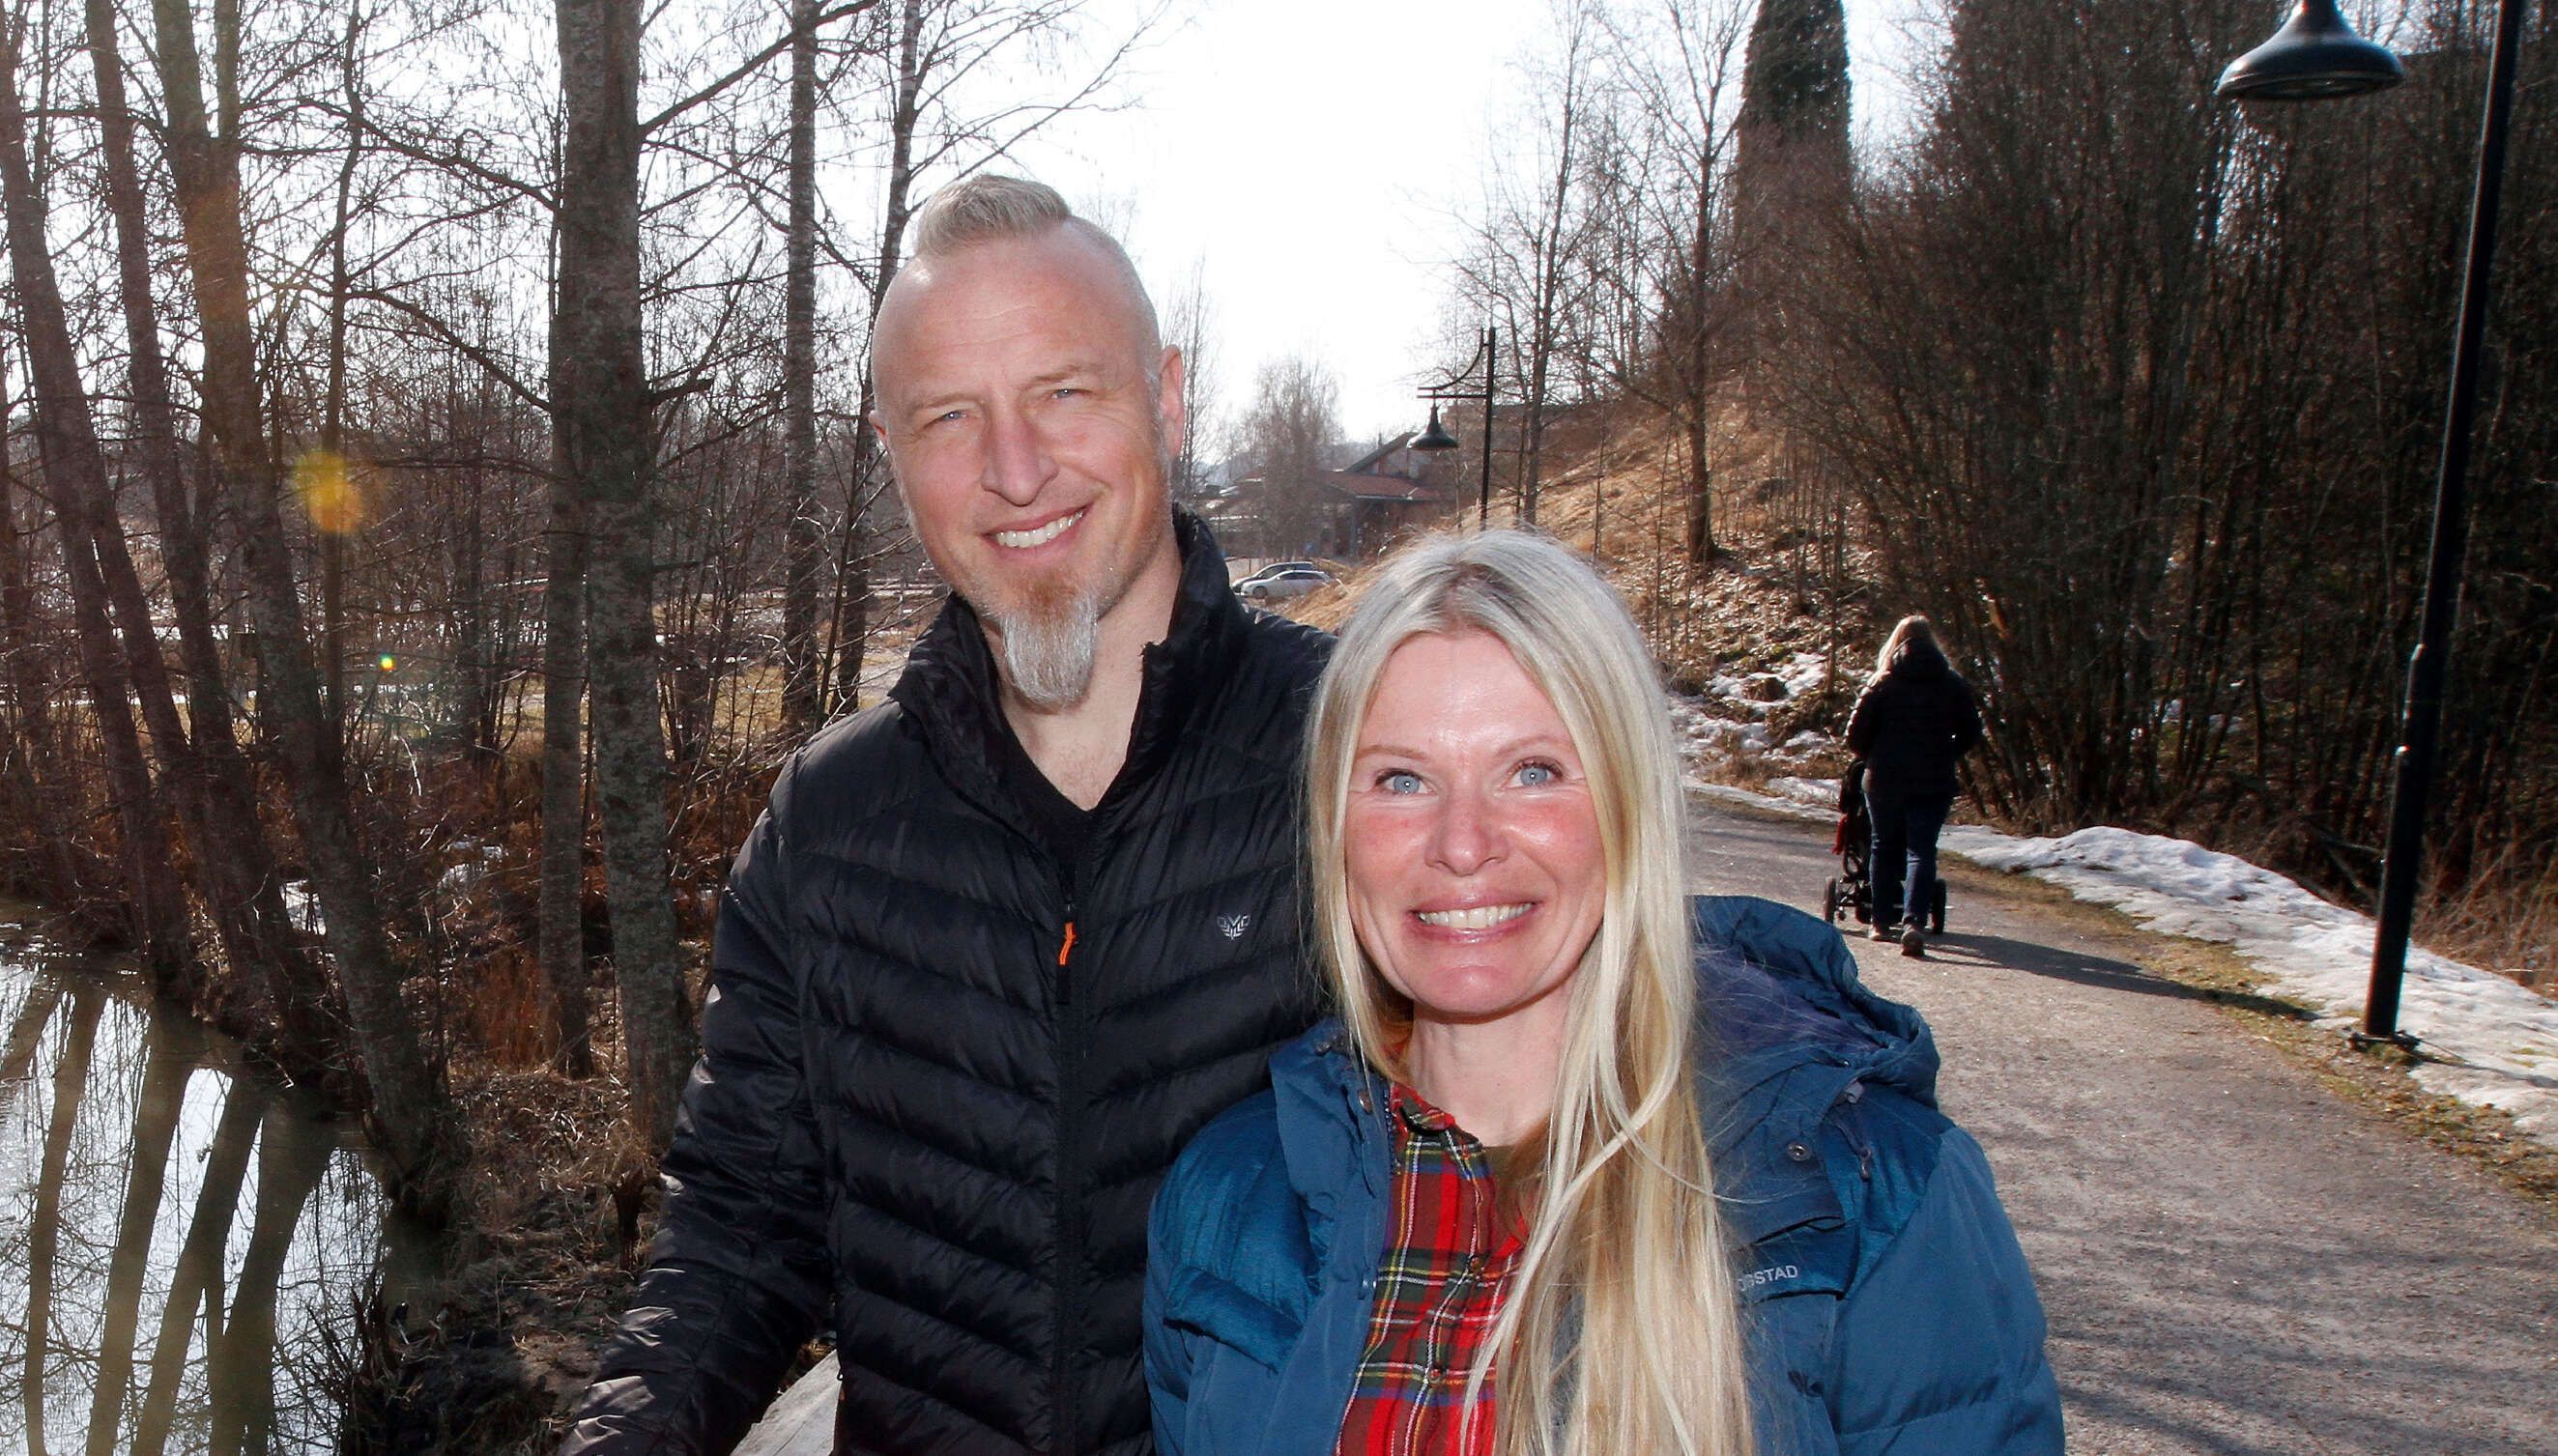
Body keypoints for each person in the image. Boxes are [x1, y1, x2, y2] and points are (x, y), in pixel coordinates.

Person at [560, 176, 1331, 1456]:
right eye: (950, 416)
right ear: (890, 449)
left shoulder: (1359, 758)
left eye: (1063, 392)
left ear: (1168, 397)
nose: (1015, 470)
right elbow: (738, 1234)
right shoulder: (830, 822)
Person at [1145, 531, 2060, 1456]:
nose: (1462, 843)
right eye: (1402, 778)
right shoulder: (1230, 1195)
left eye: (1532, 771)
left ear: (1629, 803)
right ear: (1333, 824)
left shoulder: (1870, 1198)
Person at [1843, 615, 1985, 957]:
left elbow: (1854, 735)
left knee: (1883, 845)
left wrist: (1874, 755)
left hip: (1884, 778)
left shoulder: (1882, 682)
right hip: (1934, 779)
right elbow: (1972, 731)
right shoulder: (1952, 683)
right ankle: (1914, 923)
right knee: (1921, 850)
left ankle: (1879, 922)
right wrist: (1947, 752)